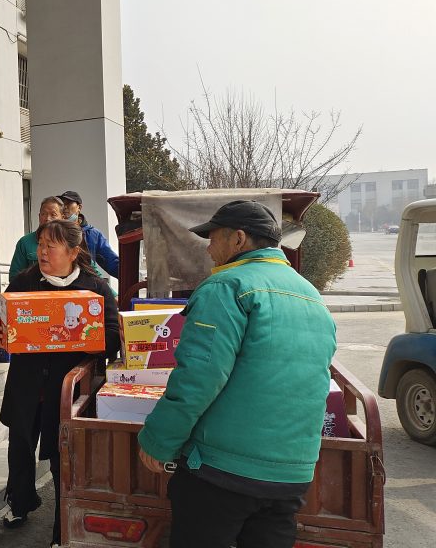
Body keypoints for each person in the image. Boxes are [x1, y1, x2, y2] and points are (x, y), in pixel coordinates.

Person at [137, 200, 337, 548]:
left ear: (239, 238)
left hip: (223, 472)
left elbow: (199, 377)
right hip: (292, 473)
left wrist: (158, 442)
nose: (208, 248)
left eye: (213, 238)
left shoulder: (226, 286)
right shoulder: (311, 295)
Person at [0, 220, 120, 548]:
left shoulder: (95, 288)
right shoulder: (25, 281)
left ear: (73, 252)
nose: (42, 252)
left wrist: (92, 342)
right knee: (20, 448)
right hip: (27, 385)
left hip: (66, 390)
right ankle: (20, 503)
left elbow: (113, 335)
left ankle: (62, 530)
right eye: (41, 244)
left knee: (64, 458)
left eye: (51, 246)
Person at [59, 190, 119, 278]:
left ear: (79, 207)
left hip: (86, 282)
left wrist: (132, 275)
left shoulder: (92, 235)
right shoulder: (52, 232)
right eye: (62, 204)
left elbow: (111, 263)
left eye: (68, 203)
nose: (64, 207)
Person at [9, 195, 65, 280]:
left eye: (53, 215)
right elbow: (14, 277)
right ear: (39, 216)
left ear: (62, 218)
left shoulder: (69, 241)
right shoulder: (25, 242)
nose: (47, 218)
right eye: (43, 214)